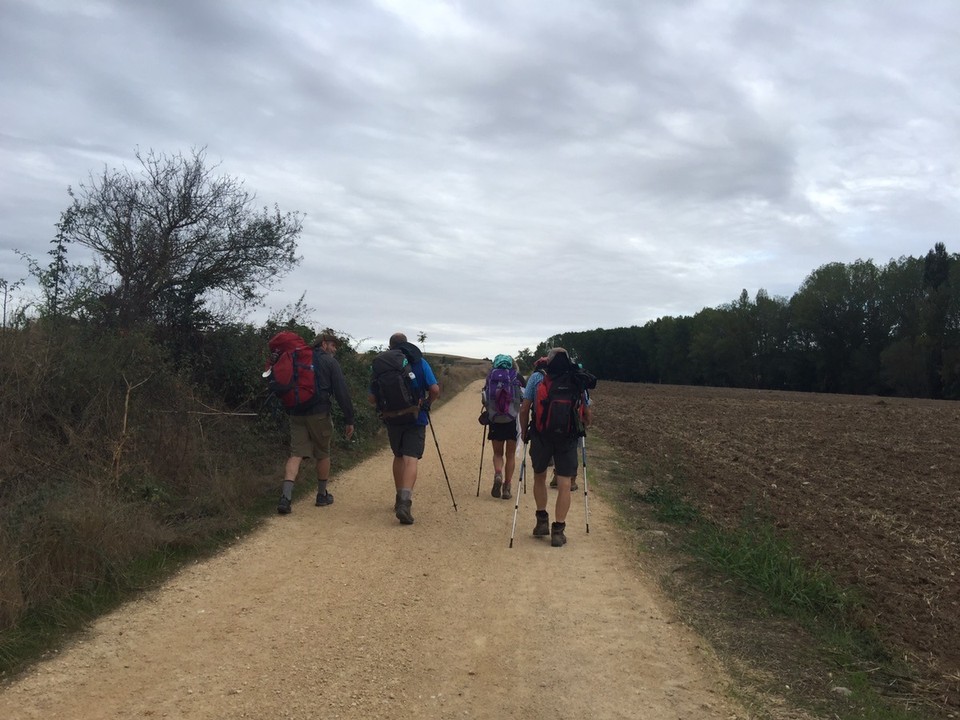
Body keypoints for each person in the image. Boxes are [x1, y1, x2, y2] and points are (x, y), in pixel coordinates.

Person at [519, 348, 593, 547]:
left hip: (541, 435)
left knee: (540, 476)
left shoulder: (536, 378)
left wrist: (525, 432)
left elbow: (525, 408)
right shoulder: (577, 379)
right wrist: (584, 424)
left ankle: (541, 520)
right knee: (564, 484)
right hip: (567, 438)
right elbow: (586, 413)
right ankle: (558, 531)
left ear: (548, 361)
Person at [277, 330, 355, 515]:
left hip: (296, 412)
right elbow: (341, 392)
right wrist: (349, 419)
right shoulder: (329, 362)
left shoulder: (297, 358)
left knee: (296, 454)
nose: (335, 348)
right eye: (333, 345)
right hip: (319, 413)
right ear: (324, 344)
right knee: (322, 453)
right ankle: (322, 495)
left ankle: (285, 498)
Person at [368, 332, 440, 525]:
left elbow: (372, 398)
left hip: (392, 418)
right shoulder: (419, 361)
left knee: (398, 456)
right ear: (407, 344)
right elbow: (434, 390)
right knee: (411, 458)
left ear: (390, 345)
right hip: (416, 417)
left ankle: (398, 497)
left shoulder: (380, 364)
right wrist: (426, 403)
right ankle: (405, 503)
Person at [482, 354, 525, 500]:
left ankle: (498, 473)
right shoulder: (517, 377)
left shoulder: (490, 377)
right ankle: (507, 487)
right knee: (511, 455)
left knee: (498, 453)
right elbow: (524, 398)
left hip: (495, 421)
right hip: (512, 421)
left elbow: (485, 399)